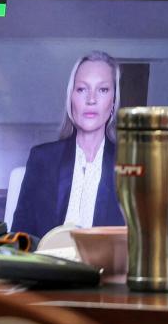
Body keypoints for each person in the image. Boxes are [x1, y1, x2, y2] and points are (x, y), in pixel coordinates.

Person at [11, 51, 125, 238]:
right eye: (82, 89)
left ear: (113, 101)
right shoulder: (42, 159)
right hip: (49, 265)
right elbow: (20, 236)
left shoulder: (131, 165)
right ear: (71, 98)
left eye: (102, 90)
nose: (91, 99)